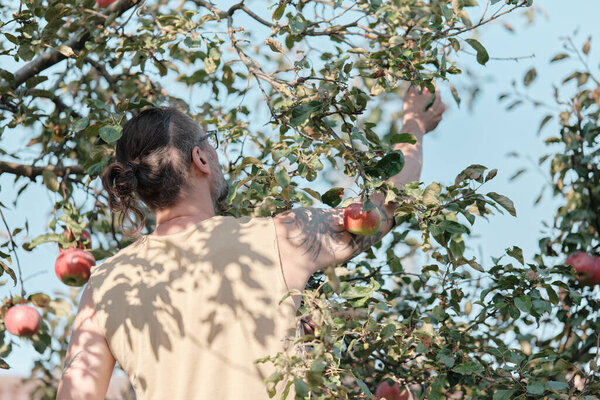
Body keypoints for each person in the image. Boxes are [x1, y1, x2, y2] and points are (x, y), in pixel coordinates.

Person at [56, 86, 445, 400]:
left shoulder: (104, 284)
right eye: (211, 144)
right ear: (201, 159)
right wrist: (414, 124)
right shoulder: (280, 238)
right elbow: (387, 201)